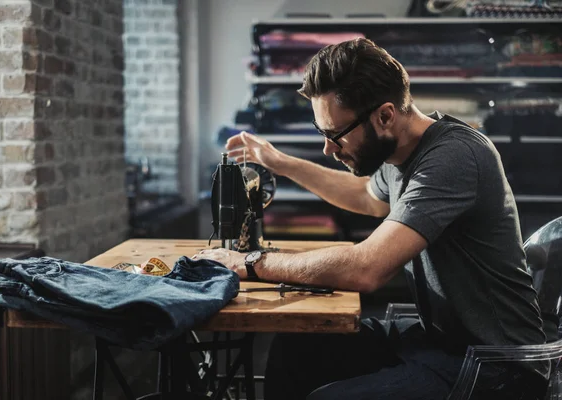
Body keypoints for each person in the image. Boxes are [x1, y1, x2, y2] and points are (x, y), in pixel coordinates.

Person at [193, 38, 551, 400]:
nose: (328, 148)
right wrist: (280, 163)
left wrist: (249, 262)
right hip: (439, 343)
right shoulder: (401, 153)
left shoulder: (454, 157)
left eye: (335, 135)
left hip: (497, 367)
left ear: (384, 116)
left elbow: (367, 268)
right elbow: (366, 195)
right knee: (296, 348)